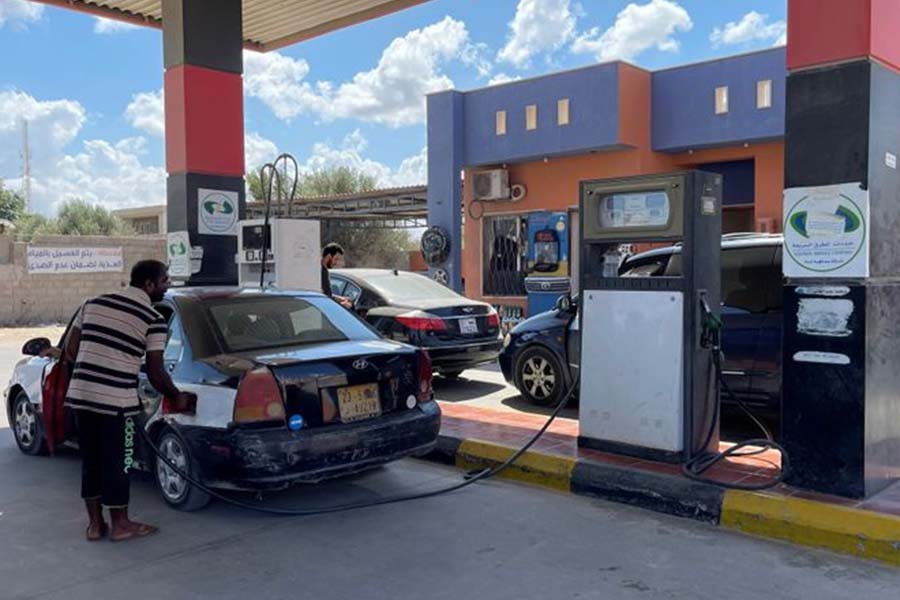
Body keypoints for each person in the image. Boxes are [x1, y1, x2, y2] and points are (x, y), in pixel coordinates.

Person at [61, 260, 196, 542]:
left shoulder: (92, 303)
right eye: (164, 280)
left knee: (91, 461)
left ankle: (95, 526)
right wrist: (177, 396)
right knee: (119, 462)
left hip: (81, 398)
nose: (167, 285)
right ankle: (121, 525)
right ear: (148, 284)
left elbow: (71, 350)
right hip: (117, 404)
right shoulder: (153, 319)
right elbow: (157, 374)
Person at [321, 243, 352, 309]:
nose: (336, 263)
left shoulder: (324, 271)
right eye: (336, 259)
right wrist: (342, 304)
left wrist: (341, 299)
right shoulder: (319, 272)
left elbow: (327, 294)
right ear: (329, 256)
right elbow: (323, 297)